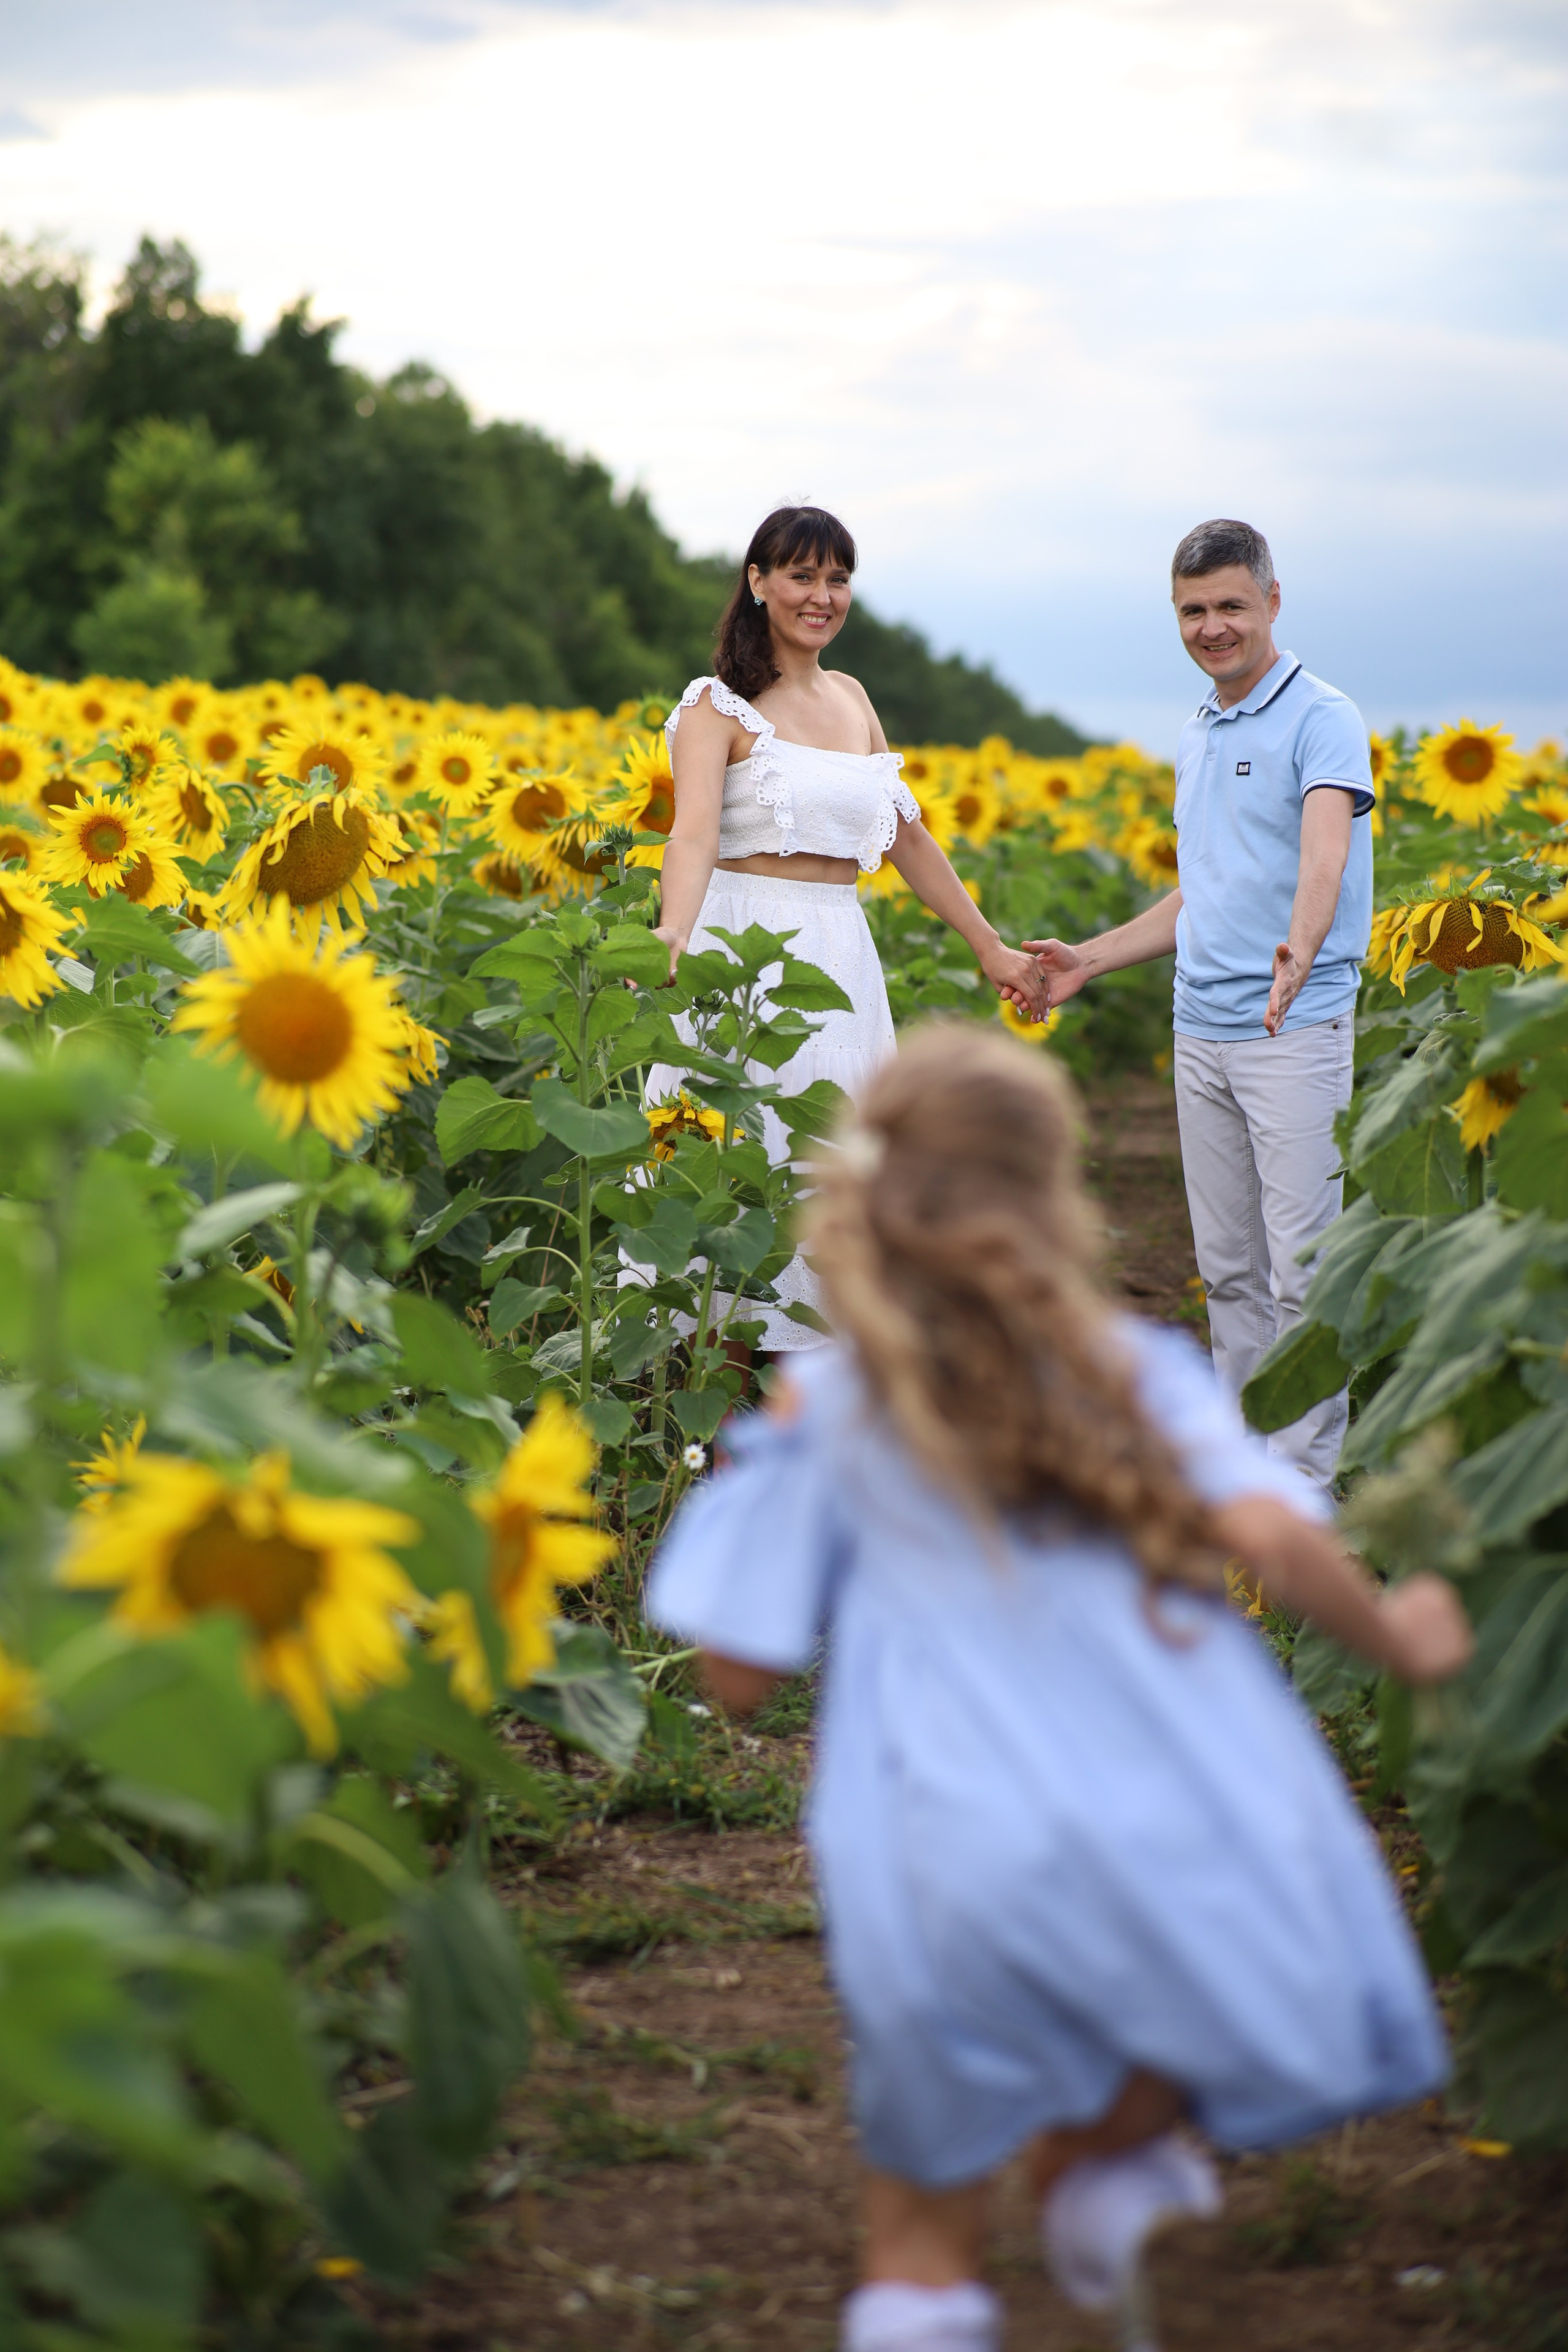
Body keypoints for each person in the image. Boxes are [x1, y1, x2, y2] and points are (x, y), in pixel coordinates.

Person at [647, 1025, 1472, 2352]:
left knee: (919, 2222)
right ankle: (1113, 2184)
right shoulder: (1129, 1374)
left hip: (936, 1834)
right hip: (1159, 1810)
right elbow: (1267, 1535)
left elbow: (735, 1669)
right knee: (1128, 2017)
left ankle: (951, 2292)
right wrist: (1404, 1637)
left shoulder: (833, 1409)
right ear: (1053, 1194)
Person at [644, 503, 1049, 1351]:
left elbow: (907, 835)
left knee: (833, 1161)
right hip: (742, 952)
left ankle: (818, 1394)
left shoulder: (854, 699)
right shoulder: (717, 706)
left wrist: (990, 947)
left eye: (837, 578)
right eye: (802, 575)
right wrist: (674, 935)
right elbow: (693, 835)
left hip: (839, 959)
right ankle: (714, 1413)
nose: (822, 596)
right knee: (735, 1162)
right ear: (758, 583)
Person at [1027, 519, 1376, 1486]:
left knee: (1304, 1269)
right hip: (1202, 1028)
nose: (1213, 626)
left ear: (1271, 599)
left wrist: (1301, 948)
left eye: (1230, 604)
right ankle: (1240, 1480)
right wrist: (1089, 960)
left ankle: (1306, 1496)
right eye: (1193, 610)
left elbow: (1324, 854)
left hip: (1292, 1025)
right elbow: (1204, 891)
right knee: (1227, 1271)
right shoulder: (1198, 730)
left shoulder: (1323, 716)